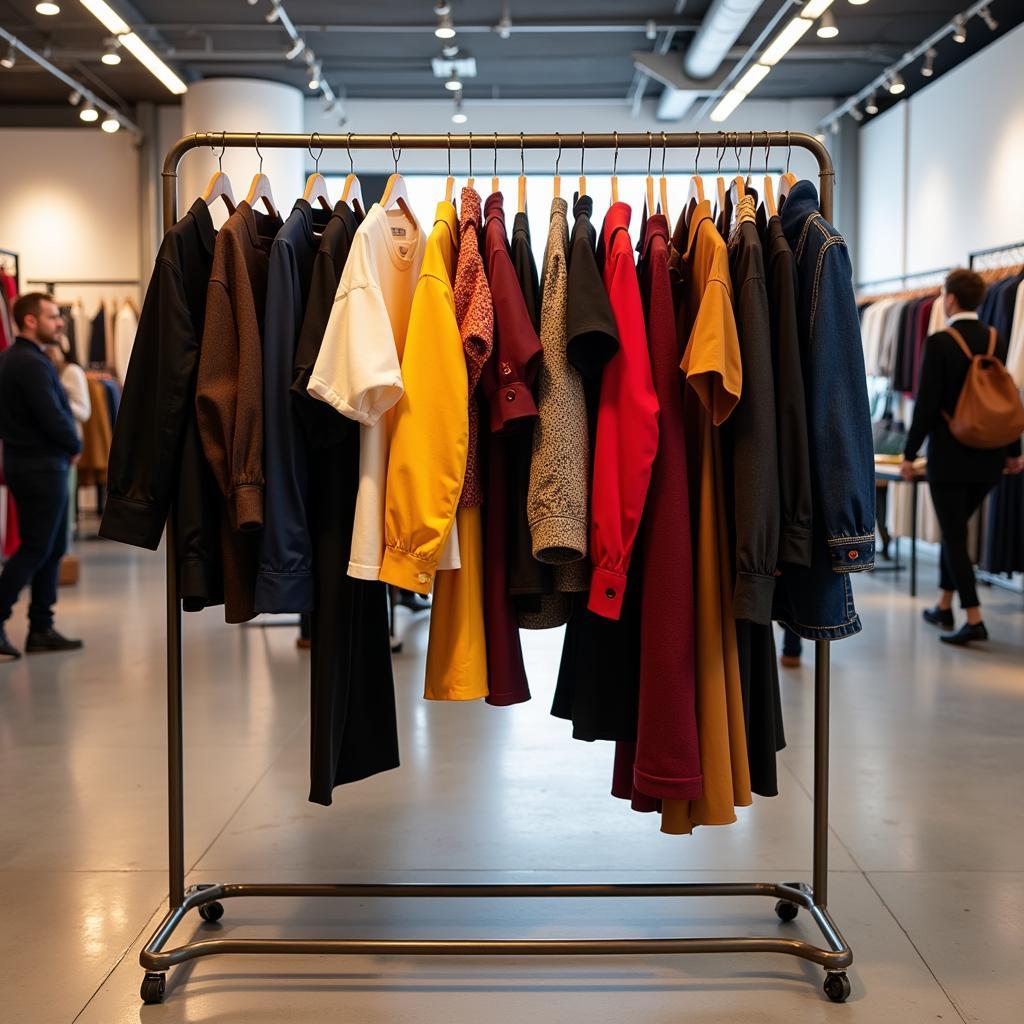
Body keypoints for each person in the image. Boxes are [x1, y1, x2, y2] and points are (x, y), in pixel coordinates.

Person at [902, 269, 1024, 646]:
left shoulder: (940, 342)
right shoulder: (995, 338)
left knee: (954, 536)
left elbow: (926, 406)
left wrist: (908, 454)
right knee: (954, 528)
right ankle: (943, 604)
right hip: (988, 458)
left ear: (950, 299)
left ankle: (973, 618)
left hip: (949, 458)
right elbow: (1004, 400)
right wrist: (1013, 452)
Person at [0, 293, 84, 660]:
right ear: (30, 321)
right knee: (36, 548)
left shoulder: (21, 359)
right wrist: (72, 442)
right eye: (52, 316)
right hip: (40, 466)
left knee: (50, 549)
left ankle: (41, 627)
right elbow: (51, 415)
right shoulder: (28, 363)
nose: (60, 322)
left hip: (36, 463)